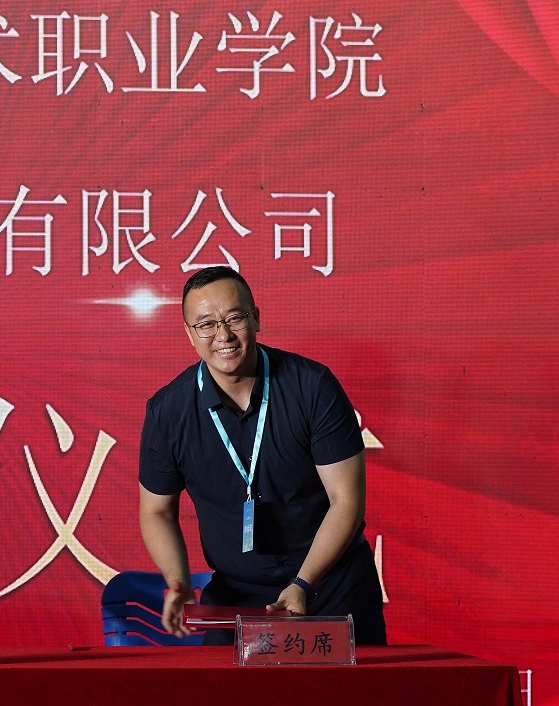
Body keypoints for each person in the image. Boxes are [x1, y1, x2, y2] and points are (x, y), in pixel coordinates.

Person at [138, 266, 385, 645]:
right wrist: (178, 581)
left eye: (234, 318)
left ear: (255, 318)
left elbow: (346, 500)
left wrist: (303, 583)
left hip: (331, 585)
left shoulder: (313, 387)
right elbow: (157, 511)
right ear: (189, 333)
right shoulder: (168, 412)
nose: (223, 335)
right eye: (206, 324)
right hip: (236, 596)